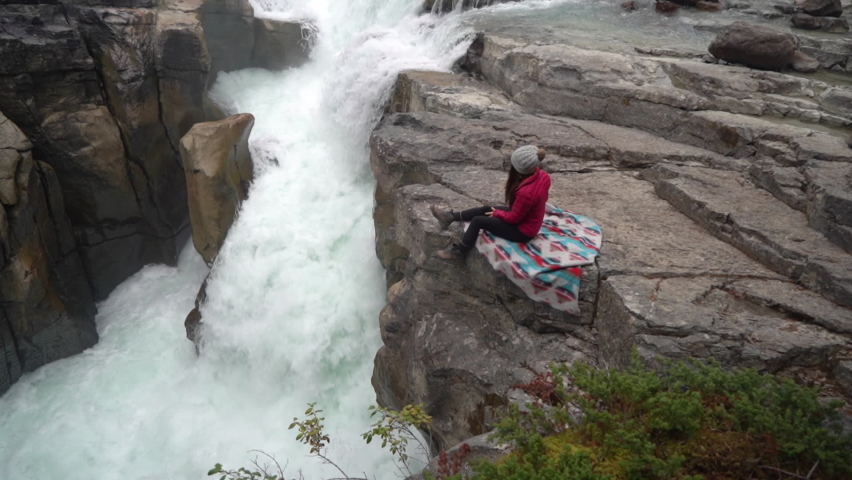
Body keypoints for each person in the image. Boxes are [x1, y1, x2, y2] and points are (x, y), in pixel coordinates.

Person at [431, 145, 551, 261]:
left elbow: (514, 219)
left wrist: (498, 213)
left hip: (523, 231)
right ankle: (450, 217)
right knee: (487, 209)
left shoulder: (526, 193)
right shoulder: (543, 176)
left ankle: (460, 251)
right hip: (528, 219)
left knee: (478, 221)